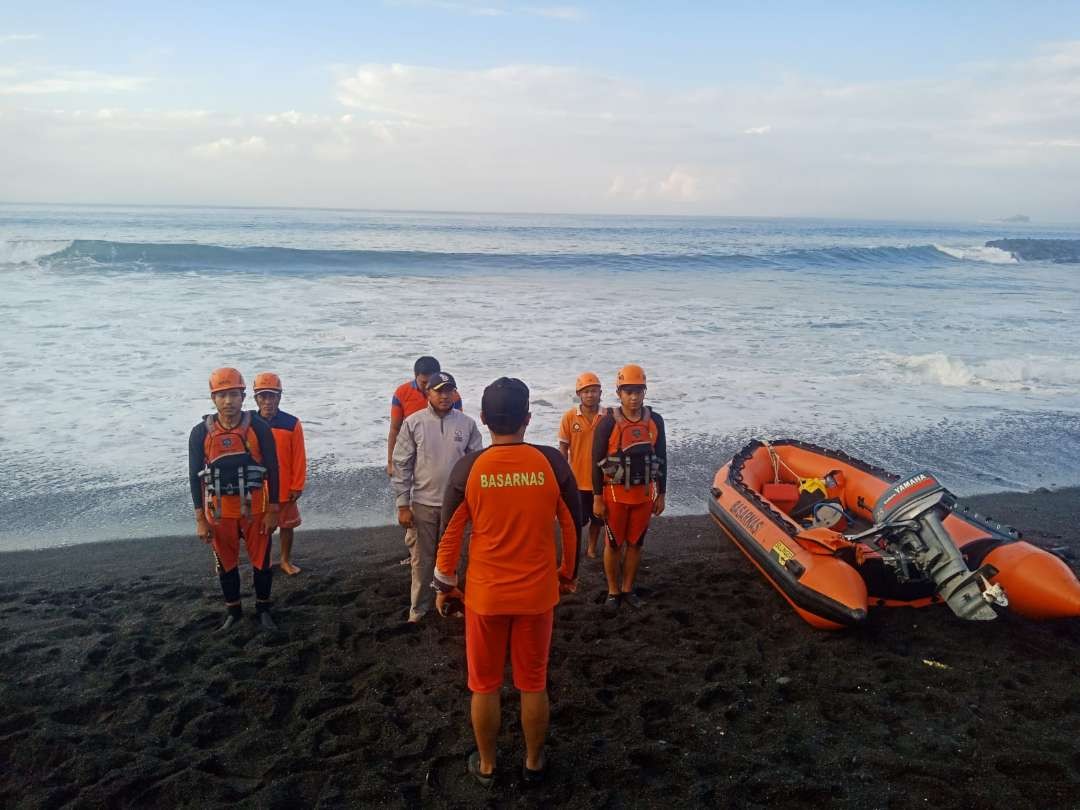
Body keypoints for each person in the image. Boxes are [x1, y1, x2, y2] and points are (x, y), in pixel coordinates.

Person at [432, 377, 581, 787]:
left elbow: (449, 534)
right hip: (537, 594)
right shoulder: (552, 463)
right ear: (528, 419)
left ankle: (487, 767)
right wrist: (568, 574)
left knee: (484, 686)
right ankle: (533, 763)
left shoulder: (469, 467)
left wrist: (445, 587)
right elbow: (573, 524)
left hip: (485, 596)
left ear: (482, 419)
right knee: (533, 683)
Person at [188, 368, 280, 632]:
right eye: (222, 395)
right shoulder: (199, 433)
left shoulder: (259, 427)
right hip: (218, 512)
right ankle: (234, 612)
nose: (228, 401)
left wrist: (274, 509)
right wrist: (200, 520)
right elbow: (195, 477)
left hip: (256, 509)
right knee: (226, 564)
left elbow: (273, 469)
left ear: (243, 396)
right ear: (213, 399)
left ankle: (263, 609)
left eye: (233, 394)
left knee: (261, 561)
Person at [393, 372, 483, 623]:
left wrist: (476, 502)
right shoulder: (413, 423)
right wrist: (403, 504)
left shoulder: (467, 424)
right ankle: (418, 610)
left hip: (457, 507)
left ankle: (453, 603)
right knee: (422, 561)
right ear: (427, 393)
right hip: (422, 504)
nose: (444, 396)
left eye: (449, 391)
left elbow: (477, 465)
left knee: (456, 558)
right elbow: (402, 464)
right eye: (439, 391)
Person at [592, 364, 667, 613]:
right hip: (614, 495)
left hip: (644, 495)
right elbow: (596, 461)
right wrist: (597, 498)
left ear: (644, 392)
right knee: (613, 544)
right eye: (628, 392)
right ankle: (613, 591)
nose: (633, 397)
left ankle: (627, 588)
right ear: (619, 393)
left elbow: (662, 457)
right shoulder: (607, 423)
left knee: (636, 543)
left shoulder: (655, 421)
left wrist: (662, 494)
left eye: (638, 391)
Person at [388, 356, 463, 565]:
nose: (426, 388)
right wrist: (390, 461)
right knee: (413, 512)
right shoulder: (402, 393)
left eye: (430, 383)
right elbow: (395, 428)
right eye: (423, 383)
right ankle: (414, 553)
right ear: (416, 378)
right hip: (412, 453)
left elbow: (457, 428)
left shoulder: (451, 395)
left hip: (437, 456)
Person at [253, 372, 307, 576]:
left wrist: (297, 485)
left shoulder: (291, 423)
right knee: (262, 528)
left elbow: (299, 457)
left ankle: (285, 560)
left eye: (272, 396)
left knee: (287, 526)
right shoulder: (249, 423)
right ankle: (264, 560)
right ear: (256, 398)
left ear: (280, 397)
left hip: (285, 486)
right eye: (263, 396)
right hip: (259, 488)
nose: (268, 401)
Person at [558, 372, 605, 558]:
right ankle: (574, 547)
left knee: (598, 519)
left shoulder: (607, 416)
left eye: (594, 391)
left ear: (600, 393)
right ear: (578, 394)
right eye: (586, 391)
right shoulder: (569, 417)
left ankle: (592, 547)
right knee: (576, 520)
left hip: (601, 480)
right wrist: (562, 477)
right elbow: (563, 449)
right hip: (576, 480)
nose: (590, 395)